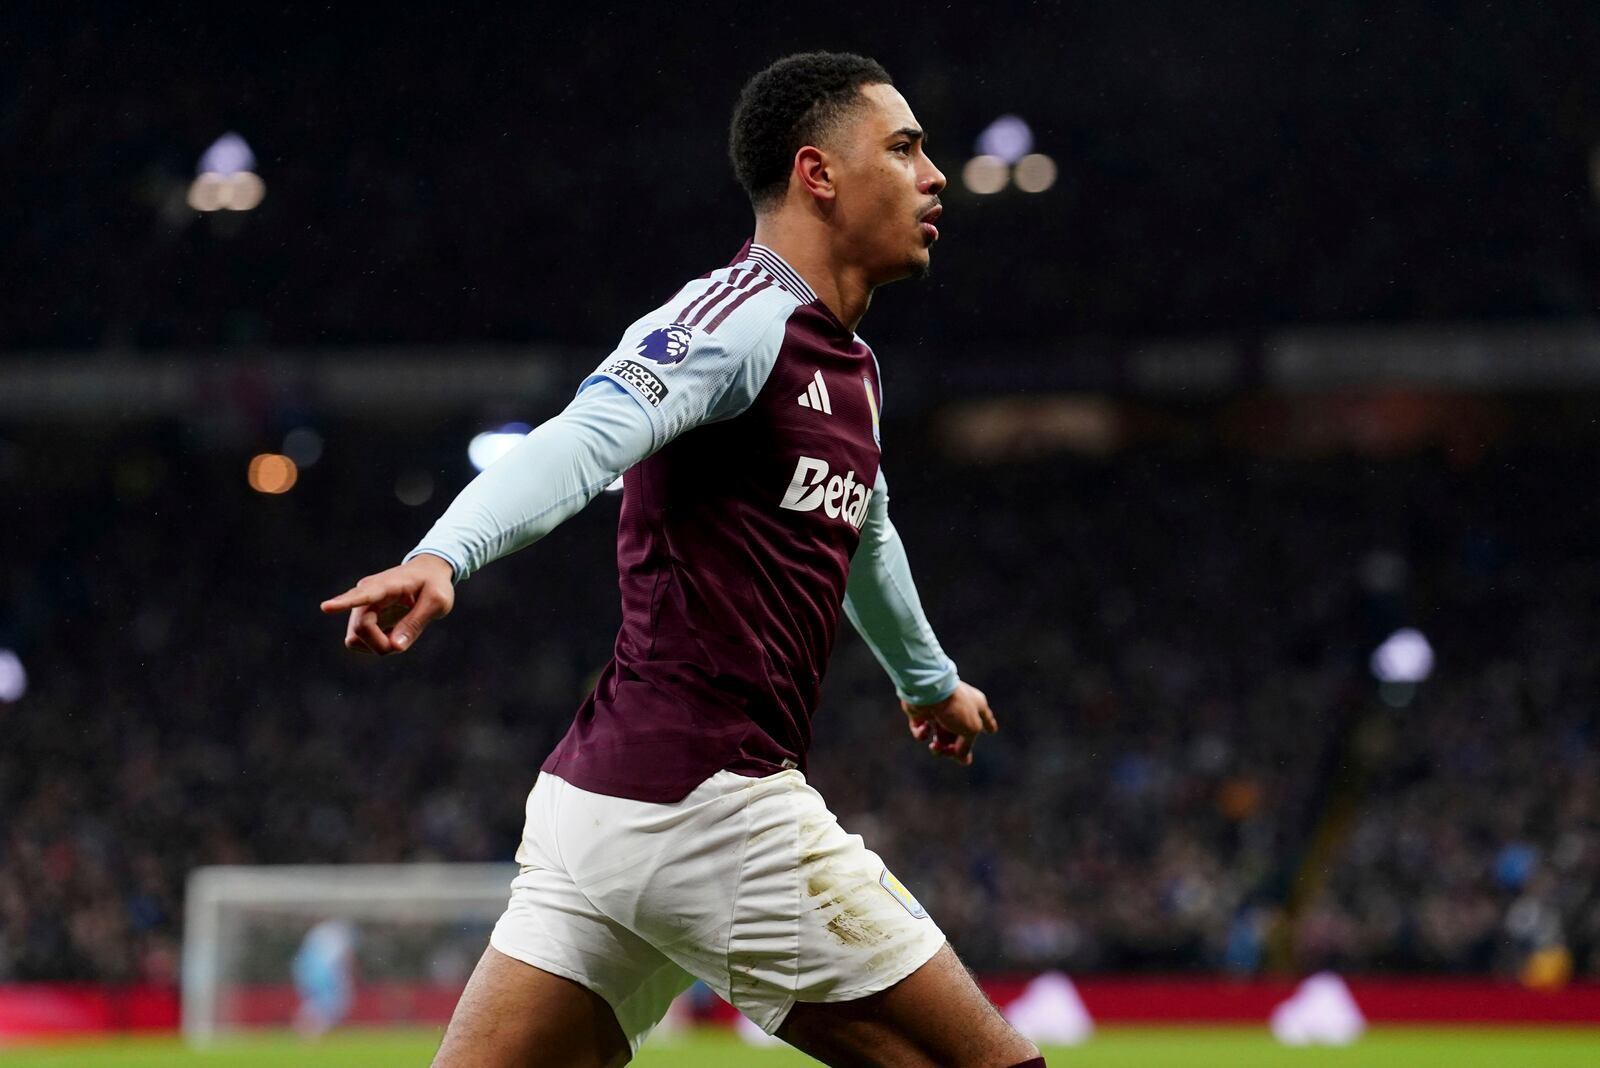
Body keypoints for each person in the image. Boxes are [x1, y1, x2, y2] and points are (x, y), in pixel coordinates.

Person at [322, 51, 1044, 1068]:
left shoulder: (852, 367)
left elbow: (864, 530)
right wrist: (446, 553)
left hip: (612, 808)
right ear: (818, 174)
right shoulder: (737, 317)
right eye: (904, 148)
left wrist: (927, 682)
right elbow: (585, 435)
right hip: (705, 795)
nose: (933, 176)